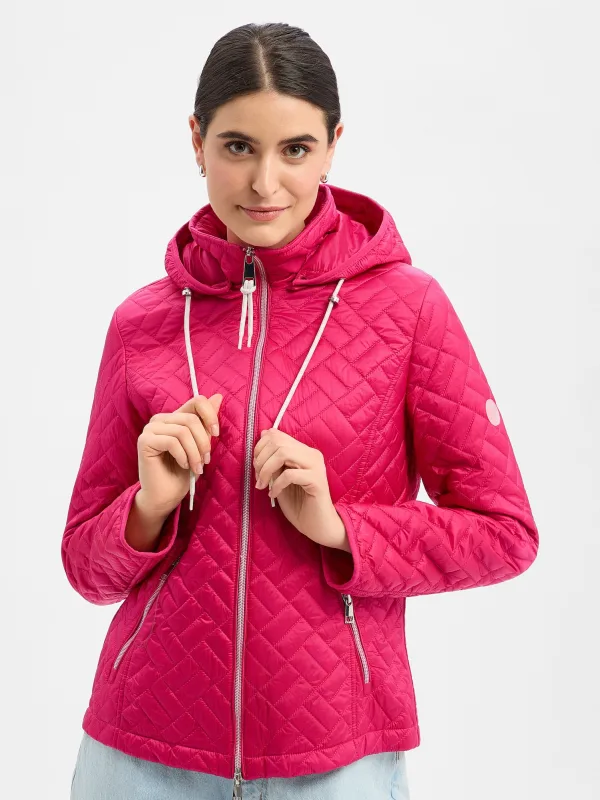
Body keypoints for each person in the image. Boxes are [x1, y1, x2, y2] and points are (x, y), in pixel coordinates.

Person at [62, 21, 539, 800]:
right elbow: (85, 566)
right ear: (197, 141)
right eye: (238, 147)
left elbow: (506, 534)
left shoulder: (408, 310)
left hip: (336, 764)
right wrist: (147, 508)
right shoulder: (142, 322)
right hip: (138, 757)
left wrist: (343, 527)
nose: (265, 184)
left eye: (295, 149)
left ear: (332, 146)